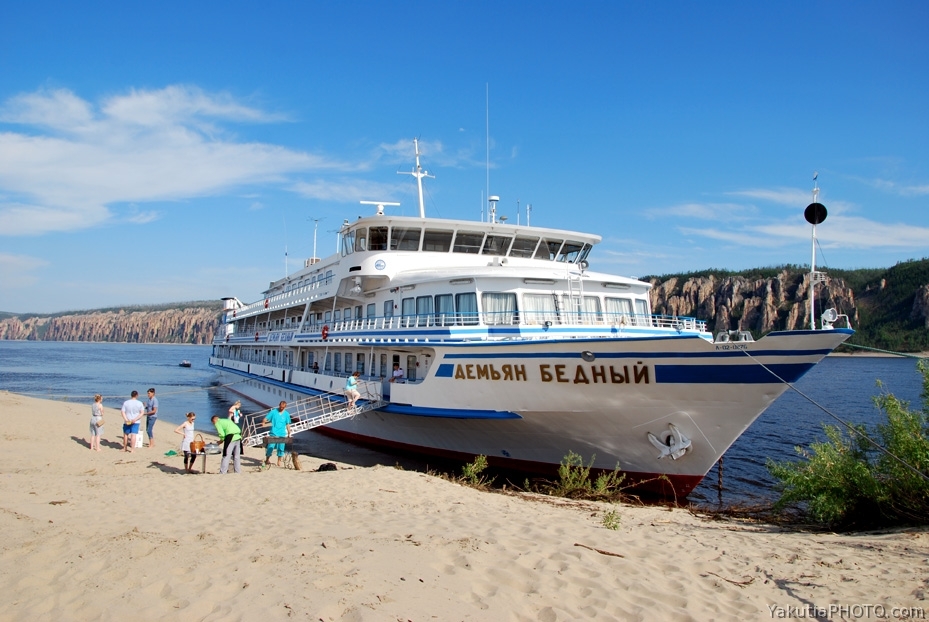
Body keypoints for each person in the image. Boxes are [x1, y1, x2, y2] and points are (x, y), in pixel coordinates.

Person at [263, 401, 291, 468]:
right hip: (274, 433)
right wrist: (265, 422)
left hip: (282, 433)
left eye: (283, 407)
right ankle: (267, 459)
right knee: (270, 447)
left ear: (285, 407)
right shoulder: (273, 412)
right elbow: (265, 419)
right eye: (280, 407)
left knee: (281, 448)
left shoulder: (286, 414)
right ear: (279, 405)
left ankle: (279, 461)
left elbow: (287, 424)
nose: (281, 408)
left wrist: (289, 432)